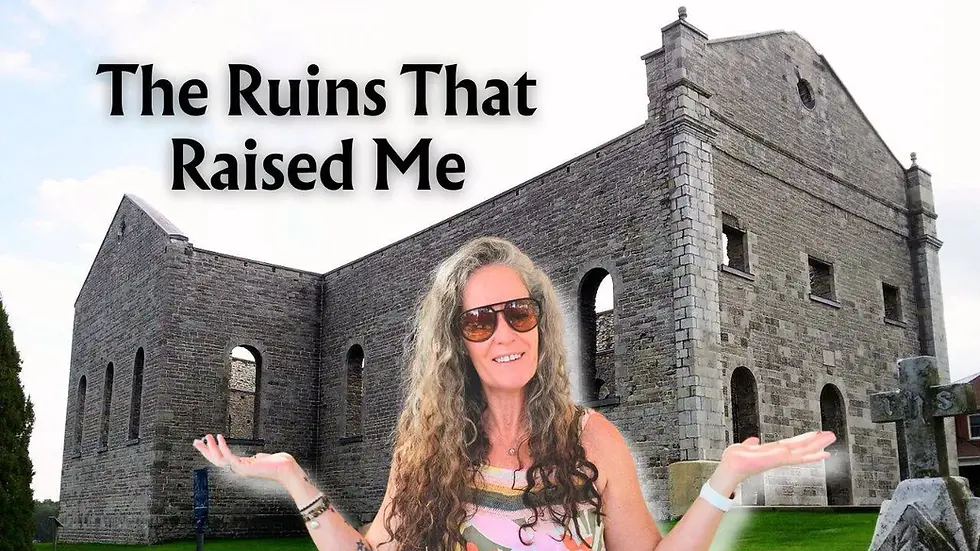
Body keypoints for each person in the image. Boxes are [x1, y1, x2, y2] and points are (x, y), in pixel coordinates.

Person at [193, 237, 836, 551]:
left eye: (518, 313)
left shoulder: (592, 438)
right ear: (458, 342)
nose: (503, 333)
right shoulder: (427, 446)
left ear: (541, 324)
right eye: (479, 320)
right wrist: (292, 479)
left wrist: (725, 478)